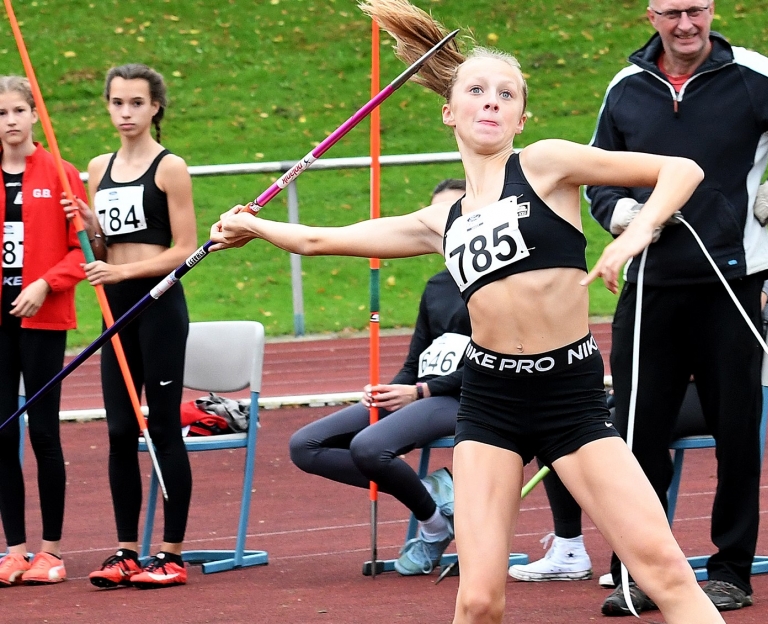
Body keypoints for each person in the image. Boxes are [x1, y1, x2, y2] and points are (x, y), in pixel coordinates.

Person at [211, 2, 725, 622]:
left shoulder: (545, 164)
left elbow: (681, 170)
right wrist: (252, 226)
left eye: (506, 95)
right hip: (490, 401)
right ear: (448, 111)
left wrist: (635, 233)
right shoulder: (441, 221)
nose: (491, 103)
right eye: (476, 91)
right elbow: (319, 239)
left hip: (569, 397)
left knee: (663, 571)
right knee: (478, 600)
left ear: (521, 117)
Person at [584, 1, 768, 615]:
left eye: (697, 9)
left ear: (711, 10)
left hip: (733, 283)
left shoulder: (751, 75)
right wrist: (622, 215)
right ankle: (637, 573)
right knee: (635, 438)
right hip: (651, 287)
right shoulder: (626, 88)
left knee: (736, 436)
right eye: (672, 12)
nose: (686, 24)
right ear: (651, 15)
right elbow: (597, 172)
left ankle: (731, 571)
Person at [508, 278, 768, 586]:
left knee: (598, 426)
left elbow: (724, 344)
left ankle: (648, 557)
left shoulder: (751, 268)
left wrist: (663, 370)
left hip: (714, 390)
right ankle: (569, 546)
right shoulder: (657, 273)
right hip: (668, 383)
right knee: (564, 418)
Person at [289, 179, 468, 576]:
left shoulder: (497, 282)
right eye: (434, 215)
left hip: (464, 397)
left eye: (452, 213)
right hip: (422, 393)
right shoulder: (437, 286)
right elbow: (416, 358)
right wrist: (392, 388)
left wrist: (421, 391)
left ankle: (431, 526)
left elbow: (493, 359)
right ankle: (433, 498)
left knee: (369, 447)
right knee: (306, 445)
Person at [64, 63, 198, 589]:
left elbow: (185, 249)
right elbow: (104, 248)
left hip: (158, 305)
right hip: (115, 308)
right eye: (117, 103)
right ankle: (125, 550)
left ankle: (171, 554)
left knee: (162, 426)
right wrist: (91, 230)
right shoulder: (98, 168)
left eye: (136, 103)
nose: (126, 113)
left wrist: (123, 271)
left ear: (155, 107)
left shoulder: (170, 168)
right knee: (120, 430)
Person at [0, 76, 87, 586]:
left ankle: (50, 551)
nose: (9, 121)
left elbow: (82, 251)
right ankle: (14, 550)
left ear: (34, 114)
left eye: (17, 110)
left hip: (41, 316)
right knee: (2, 432)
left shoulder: (60, 173)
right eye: (0, 113)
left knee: (44, 432)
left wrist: (44, 283)